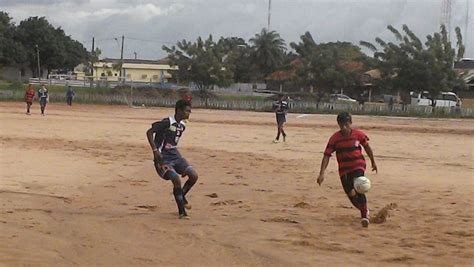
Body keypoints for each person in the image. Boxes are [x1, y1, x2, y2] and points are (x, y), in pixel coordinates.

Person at [316, 112, 378, 228]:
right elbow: (326, 155)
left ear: (350, 123)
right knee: (350, 194)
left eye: (346, 125)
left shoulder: (359, 135)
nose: (344, 128)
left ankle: (364, 216)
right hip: (344, 170)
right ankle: (364, 208)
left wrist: (373, 161)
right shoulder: (335, 138)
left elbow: (367, 147)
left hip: (358, 165)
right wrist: (322, 173)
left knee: (359, 186)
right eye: (341, 125)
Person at [146, 100, 198, 219]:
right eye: (187, 111)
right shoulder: (167, 122)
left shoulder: (182, 126)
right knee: (176, 179)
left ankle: (181, 196)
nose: (189, 113)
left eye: (190, 111)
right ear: (179, 110)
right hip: (163, 159)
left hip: (175, 156)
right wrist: (155, 150)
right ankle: (182, 212)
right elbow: (149, 132)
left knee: (193, 175)